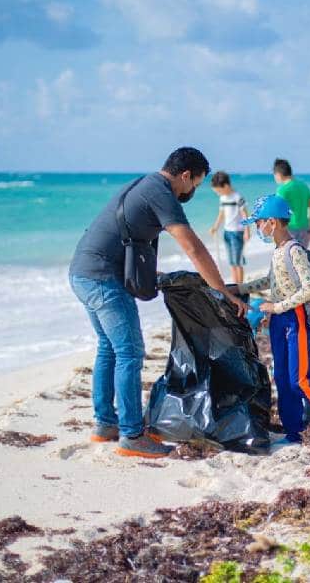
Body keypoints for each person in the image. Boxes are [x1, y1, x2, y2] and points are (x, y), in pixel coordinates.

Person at [69, 147, 248, 459]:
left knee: (109, 347)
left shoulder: (144, 184)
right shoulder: (162, 192)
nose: (192, 191)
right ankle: (132, 436)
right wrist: (223, 291)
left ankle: (105, 425)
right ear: (185, 175)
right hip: (102, 279)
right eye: (195, 183)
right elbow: (193, 246)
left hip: (83, 272)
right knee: (129, 352)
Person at [238, 195, 310, 444]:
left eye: (258, 223)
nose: (257, 228)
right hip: (278, 321)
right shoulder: (278, 251)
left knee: (302, 379)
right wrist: (240, 287)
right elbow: (271, 281)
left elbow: (309, 290)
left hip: (295, 319)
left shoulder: (295, 251)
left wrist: (277, 306)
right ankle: (293, 430)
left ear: (272, 222)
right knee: (282, 378)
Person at [209, 171, 250, 285]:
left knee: (238, 262)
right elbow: (221, 214)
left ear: (226, 186)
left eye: (218, 191)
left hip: (237, 233)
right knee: (232, 262)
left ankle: (240, 286)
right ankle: (234, 285)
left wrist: (247, 231)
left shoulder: (238, 197)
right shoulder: (223, 199)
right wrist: (215, 227)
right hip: (227, 232)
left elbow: (244, 214)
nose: (218, 193)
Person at [274, 158, 310, 247]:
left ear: (278, 174)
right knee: (301, 259)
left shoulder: (282, 190)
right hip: (304, 229)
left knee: (287, 259)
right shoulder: (304, 186)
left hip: (289, 230)